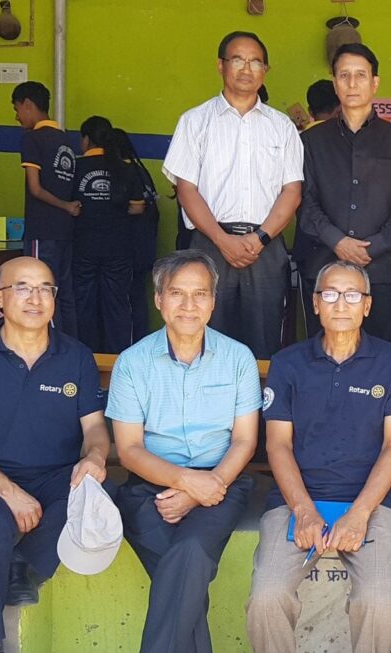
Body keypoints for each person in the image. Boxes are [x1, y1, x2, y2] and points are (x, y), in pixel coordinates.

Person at [246, 261, 391, 653]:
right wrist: (303, 509)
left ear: (367, 305)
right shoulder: (288, 363)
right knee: (266, 598)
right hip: (296, 499)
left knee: (377, 604)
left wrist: (359, 513)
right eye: (330, 294)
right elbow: (278, 445)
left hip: (373, 503)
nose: (341, 304)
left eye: (352, 295)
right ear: (315, 303)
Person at [0, 256, 110, 653]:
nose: (36, 299)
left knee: (96, 498)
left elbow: (94, 429)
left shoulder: (75, 356)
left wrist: (95, 457)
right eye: (22, 288)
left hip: (56, 474)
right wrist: (9, 492)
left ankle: (24, 566)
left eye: (45, 289)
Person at [107, 250, 261, 653]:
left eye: (200, 294)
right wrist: (186, 483)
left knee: (188, 552)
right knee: (186, 572)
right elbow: (129, 449)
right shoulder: (133, 363)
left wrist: (205, 487)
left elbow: (244, 441)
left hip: (222, 484)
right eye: (177, 293)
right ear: (159, 299)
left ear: (213, 301)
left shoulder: (238, 358)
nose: (189, 305)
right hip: (149, 489)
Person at [163, 31, 304, 360]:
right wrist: (222, 240)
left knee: (265, 340)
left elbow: (292, 191)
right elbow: (186, 189)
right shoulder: (195, 121)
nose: (246, 68)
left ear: (265, 70)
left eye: (255, 62)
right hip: (210, 244)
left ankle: (259, 398)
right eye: (238, 60)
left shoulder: (282, 126)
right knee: (205, 337)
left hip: (265, 247)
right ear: (221, 65)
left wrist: (260, 237)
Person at [297, 44, 391, 344]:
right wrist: (337, 241)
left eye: (360, 75)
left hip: (384, 270)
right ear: (335, 82)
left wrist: (372, 247)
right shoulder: (312, 140)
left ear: (375, 83)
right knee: (323, 353)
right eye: (344, 75)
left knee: (381, 355)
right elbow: (304, 201)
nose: (352, 83)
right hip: (324, 267)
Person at [71, 116, 145, 354]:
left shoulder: (76, 167)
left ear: (86, 139)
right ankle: (117, 360)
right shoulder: (125, 168)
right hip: (118, 248)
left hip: (84, 247)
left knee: (84, 305)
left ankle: (86, 357)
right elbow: (138, 207)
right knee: (117, 306)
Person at [13, 81, 80, 336]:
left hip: (42, 229)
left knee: (40, 290)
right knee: (64, 291)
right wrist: (68, 207)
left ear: (28, 104)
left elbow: (35, 188)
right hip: (65, 230)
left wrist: (64, 205)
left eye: (17, 109)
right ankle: (69, 343)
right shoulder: (66, 140)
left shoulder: (33, 139)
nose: (17, 117)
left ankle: (49, 344)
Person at [115, 128, 161, 342]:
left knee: (128, 299)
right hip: (145, 245)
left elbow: (136, 208)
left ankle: (131, 344)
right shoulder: (140, 170)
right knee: (138, 297)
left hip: (131, 247)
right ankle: (140, 340)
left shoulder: (125, 172)